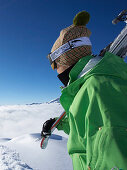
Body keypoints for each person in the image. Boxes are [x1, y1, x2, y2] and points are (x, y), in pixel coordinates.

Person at [41, 11, 127, 170]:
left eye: (55, 65)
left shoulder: (98, 88)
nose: (55, 71)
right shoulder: (91, 85)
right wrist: (59, 123)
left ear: (66, 60)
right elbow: (87, 125)